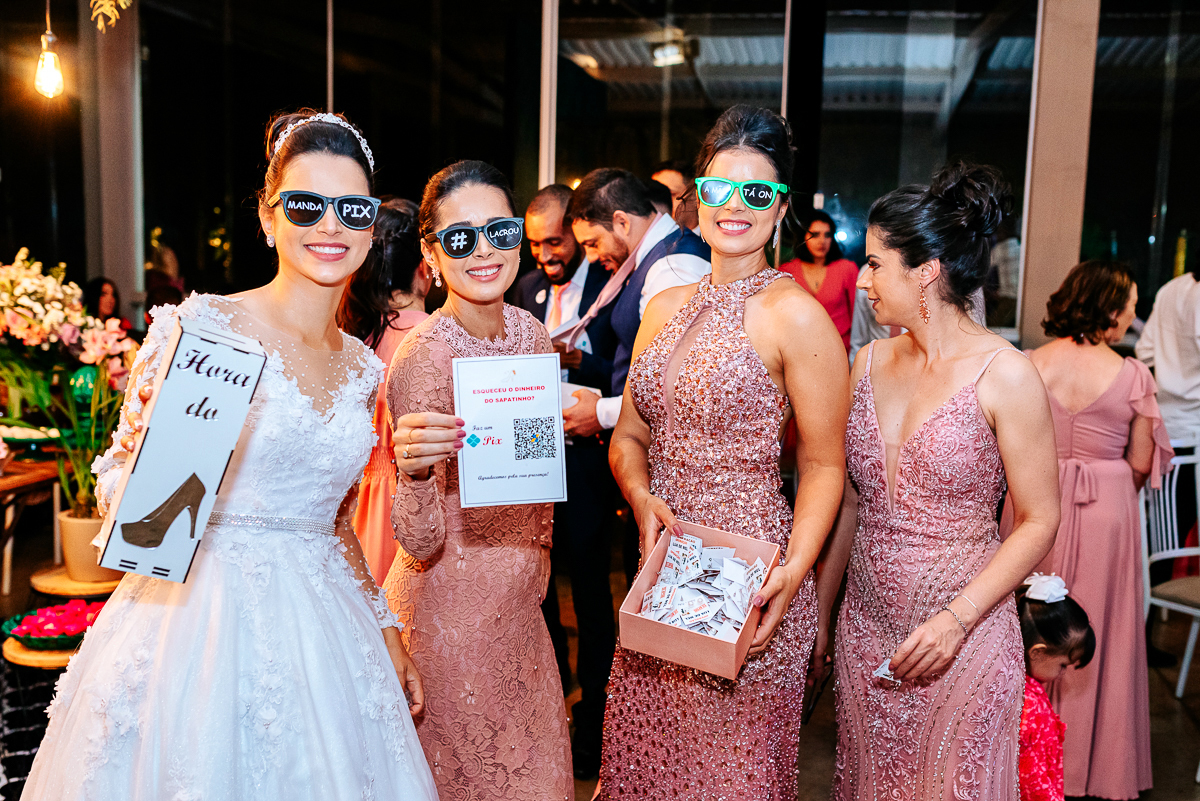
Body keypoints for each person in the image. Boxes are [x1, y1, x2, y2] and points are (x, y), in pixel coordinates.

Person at [20, 110, 438, 801]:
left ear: (370, 228)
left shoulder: (364, 368)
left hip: (325, 633)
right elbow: (124, 496)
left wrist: (386, 628)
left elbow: (335, 522)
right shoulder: (206, 329)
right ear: (269, 218)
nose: (330, 225)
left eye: (352, 209)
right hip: (196, 624)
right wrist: (167, 463)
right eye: (304, 205)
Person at [599, 105, 849, 798]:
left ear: (782, 207)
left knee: (727, 779)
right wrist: (641, 497)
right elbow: (630, 437)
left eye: (757, 192)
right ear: (696, 197)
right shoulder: (663, 305)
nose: (735, 206)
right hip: (662, 573)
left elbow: (824, 464)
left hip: (750, 579)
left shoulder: (796, 316)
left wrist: (793, 572)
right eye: (718, 188)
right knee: (647, 768)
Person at [829, 161, 1061, 801]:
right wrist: (821, 614)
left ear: (926, 270)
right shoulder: (867, 362)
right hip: (865, 631)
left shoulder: (1006, 374)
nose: (863, 280)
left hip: (965, 633)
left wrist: (957, 619)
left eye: (875, 264)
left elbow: (1040, 518)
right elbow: (851, 502)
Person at [383, 160, 573, 800]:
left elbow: (535, 482)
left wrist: (539, 561)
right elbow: (418, 541)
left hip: (521, 612)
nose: (484, 250)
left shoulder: (532, 335)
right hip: (451, 622)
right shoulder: (423, 357)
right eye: (461, 238)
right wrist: (412, 471)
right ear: (432, 253)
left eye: (500, 230)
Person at [1000, 260, 1171, 800]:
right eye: (1131, 306)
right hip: (1106, 513)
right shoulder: (1133, 376)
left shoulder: (1029, 363)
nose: (1133, 316)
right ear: (1111, 310)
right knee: (1102, 627)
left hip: (1035, 503)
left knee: (1020, 625)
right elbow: (1140, 462)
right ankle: (1090, 768)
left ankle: (1011, 761)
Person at [511, 182, 618, 778]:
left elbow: (631, 371)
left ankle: (594, 726)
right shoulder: (524, 288)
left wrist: (582, 363)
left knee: (592, 595)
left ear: (575, 234)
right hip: (531, 456)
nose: (545, 255)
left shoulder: (609, 282)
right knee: (538, 592)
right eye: (535, 244)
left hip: (586, 459)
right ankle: (549, 707)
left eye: (554, 241)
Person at [567, 168, 710, 584]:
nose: (591, 256)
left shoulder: (673, 266)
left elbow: (679, 381)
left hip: (676, 467)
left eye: (592, 243)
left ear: (621, 221)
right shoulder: (657, 257)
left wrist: (603, 412)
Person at [338, 197, 430, 582]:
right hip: (412, 505)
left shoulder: (350, 335)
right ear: (424, 268)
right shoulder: (430, 338)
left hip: (354, 511)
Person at [1014, 574, 1096, 801]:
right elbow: (1030, 777)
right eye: (1063, 665)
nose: (1062, 674)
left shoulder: (1024, 690)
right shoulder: (1029, 706)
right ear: (1037, 652)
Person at [779, 210, 858, 352]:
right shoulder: (787, 271)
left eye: (827, 235)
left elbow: (858, 317)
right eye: (815, 235)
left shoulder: (847, 269)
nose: (822, 241)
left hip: (839, 350)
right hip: (798, 350)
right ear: (803, 236)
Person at [651, 159, 699, 233]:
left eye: (671, 194)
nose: (663, 203)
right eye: (656, 197)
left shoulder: (711, 236)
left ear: (695, 195)